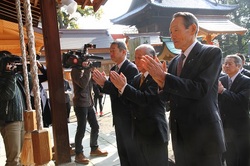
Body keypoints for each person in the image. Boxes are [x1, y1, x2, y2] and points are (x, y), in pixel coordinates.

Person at [142, 12, 226, 166]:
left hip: (204, 136)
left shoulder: (211, 53)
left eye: (176, 30)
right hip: (180, 137)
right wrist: (160, 82)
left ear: (192, 29)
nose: (172, 35)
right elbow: (167, 97)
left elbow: (200, 89)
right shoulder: (175, 62)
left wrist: (165, 77)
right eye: (170, 31)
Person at [109, 44, 169, 166]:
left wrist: (124, 87)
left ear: (151, 58)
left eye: (140, 57)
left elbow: (145, 99)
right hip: (138, 133)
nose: (136, 61)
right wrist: (121, 89)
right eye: (135, 57)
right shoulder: (137, 78)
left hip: (154, 133)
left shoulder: (157, 77)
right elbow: (129, 101)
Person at [92, 40, 140, 166]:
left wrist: (104, 83)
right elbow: (112, 91)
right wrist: (101, 84)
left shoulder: (131, 69)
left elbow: (124, 92)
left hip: (128, 117)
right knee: (122, 152)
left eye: (113, 50)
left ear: (123, 51)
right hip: (118, 117)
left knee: (131, 153)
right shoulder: (114, 68)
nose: (111, 53)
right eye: (110, 50)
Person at [71, 62, 108, 165]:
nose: (88, 63)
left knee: (95, 126)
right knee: (81, 129)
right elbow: (82, 84)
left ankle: (94, 148)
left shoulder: (86, 70)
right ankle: (79, 153)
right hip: (80, 103)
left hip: (89, 103)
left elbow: (91, 83)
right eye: (86, 62)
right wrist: (88, 70)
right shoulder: (75, 70)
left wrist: (99, 78)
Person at [218, 54, 250, 166]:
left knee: (242, 157)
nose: (226, 66)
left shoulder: (246, 81)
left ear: (238, 66)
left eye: (229, 64)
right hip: (225, 126)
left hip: (240, 126)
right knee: (230, 157)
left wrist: (223, 91)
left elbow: (240, 100)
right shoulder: (221, 80)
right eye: (225, 63)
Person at [0, 51, 29, 165]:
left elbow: (30, 81)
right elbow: (8, 95)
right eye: (7, 63)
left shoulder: (14, 76)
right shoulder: (6, 78)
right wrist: (9, 74)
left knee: (21, 155)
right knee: (13, 159)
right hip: (9, 121)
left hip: (21, 118)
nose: (10, 66)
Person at [31, 61, 52, 127]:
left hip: (41, 102)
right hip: (30, 102)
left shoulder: (35, 77)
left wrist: (41, 67)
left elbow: (48, 75)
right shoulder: (20, 78)